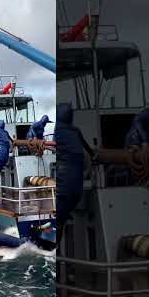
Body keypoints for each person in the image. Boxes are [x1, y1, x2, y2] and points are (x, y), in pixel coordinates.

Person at [55, 103, 94, 247]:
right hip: (78, 183)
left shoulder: (57, 130)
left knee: (59, 217)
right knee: (63, 215)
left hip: (64, 180)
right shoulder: (76, 130)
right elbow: (89, 151)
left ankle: (54, 246)